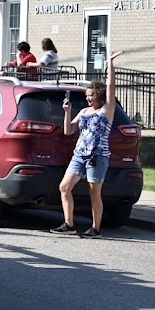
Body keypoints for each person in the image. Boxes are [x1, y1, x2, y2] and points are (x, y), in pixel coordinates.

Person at [52, 50, 124, 238]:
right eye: (87, 95)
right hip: (80, 155)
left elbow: (111, 87)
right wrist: (67, 112)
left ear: (99, 96)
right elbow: (69, 131)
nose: (88, 98)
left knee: (94, 193)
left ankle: (96, 229)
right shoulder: (84, 111)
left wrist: (110, 64)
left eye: (91, 95)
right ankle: (69, 224)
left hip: (97, 157)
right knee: (64, 187)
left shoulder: (106, 111)